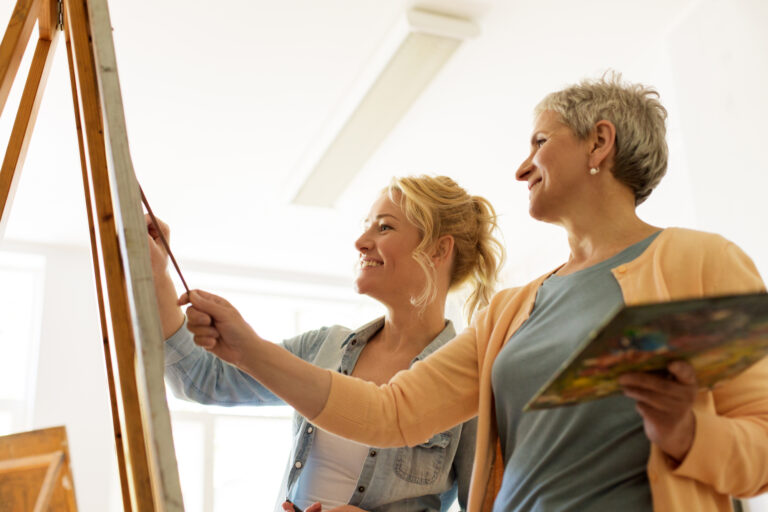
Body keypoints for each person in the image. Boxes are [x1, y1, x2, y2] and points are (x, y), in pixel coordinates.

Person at [177, 74, 768, 511]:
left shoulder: (697, 262)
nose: (521, 168)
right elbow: (391, 413)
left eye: (539, 141)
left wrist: (688, 433)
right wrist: (246, 348)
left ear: (599, 143)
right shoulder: (512, 311)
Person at [149, 175, 505, 511]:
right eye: (367, 225)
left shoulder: (469, 382)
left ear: (438, 250)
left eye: (384, 227)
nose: (361, 241)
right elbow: (199, 379)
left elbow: (493, 506)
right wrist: (157, 272)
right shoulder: (325, 347)